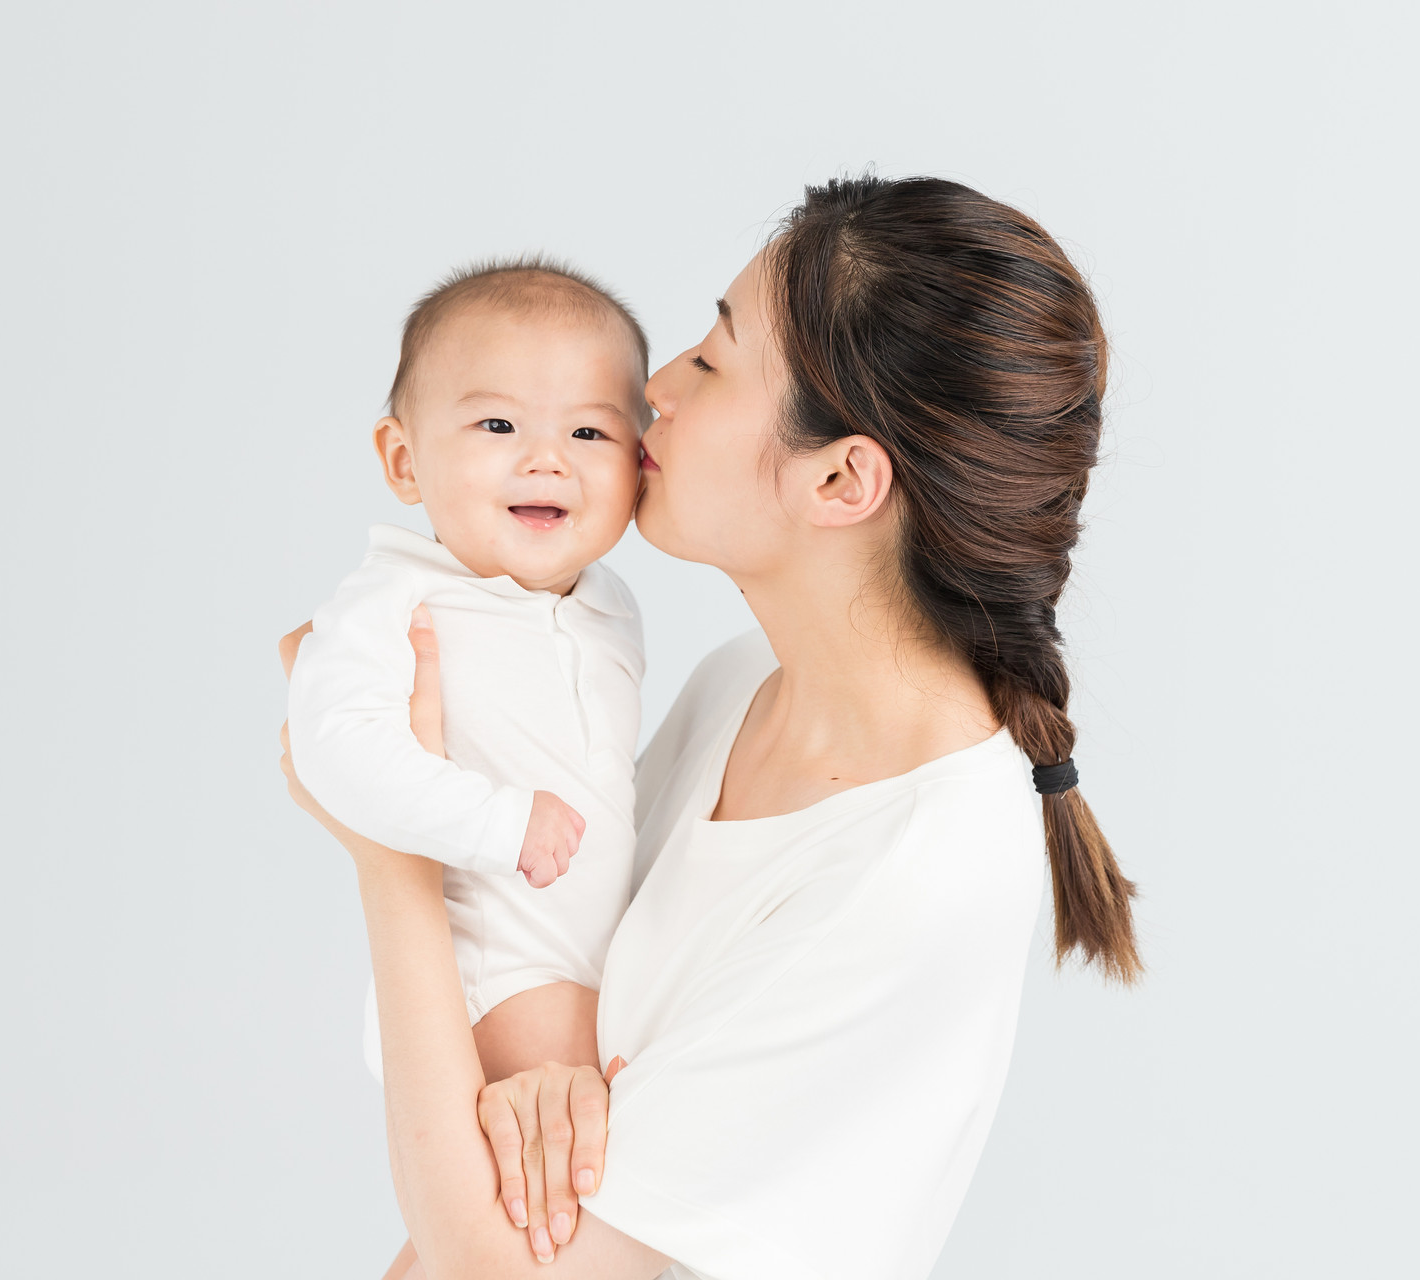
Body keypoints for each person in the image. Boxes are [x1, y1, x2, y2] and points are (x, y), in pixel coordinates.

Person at [279, 175, 1142, 1279]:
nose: (655, 390)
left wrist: (391, 856)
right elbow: (526, 1113)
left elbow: (500, 1262)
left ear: (840, 477)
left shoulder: (922, 862)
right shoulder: (742, 690)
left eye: (716, 358)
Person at [286, 259, 650, 1082]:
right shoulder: (394, 598)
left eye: (589, 433)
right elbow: (332, 746)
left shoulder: (612, 605)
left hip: (598, 979)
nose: (549, 460)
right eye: (498, 426)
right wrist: (499, 823)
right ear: (405, 462)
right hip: (483, 986)